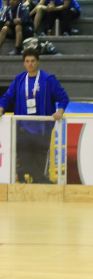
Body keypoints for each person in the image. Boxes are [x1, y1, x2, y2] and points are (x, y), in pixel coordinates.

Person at [0, 47, 68, 183]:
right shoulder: (19, 80)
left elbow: (63, 97)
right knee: (25, 161)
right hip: (22, 129)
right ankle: (36, 181)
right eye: (27, 61)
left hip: (42, 130)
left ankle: (41, 183)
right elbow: (7, 97)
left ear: (38, 62)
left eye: (32, 61)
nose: (30, 64)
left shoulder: (48, 79)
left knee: (39, 163)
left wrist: (60, 110)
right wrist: (1, 108)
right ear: (24, 63)